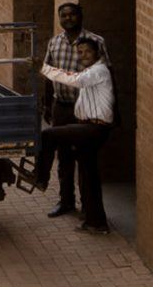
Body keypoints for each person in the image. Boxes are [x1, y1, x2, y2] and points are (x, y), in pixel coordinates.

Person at [32, 35, 115, 233]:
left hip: (94, 129)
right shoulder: (90, 72)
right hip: (89, 127)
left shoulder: (98, 71)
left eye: (87, 51)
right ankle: (96, 222)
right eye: (80, 52)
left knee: (48, 135)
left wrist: (44, 68)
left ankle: (40, 178)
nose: (83, 55)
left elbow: (75, 80)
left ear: (96, 53)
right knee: (89, 176)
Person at [40, 3, 108, 217]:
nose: (68, 19)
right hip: (61, 106)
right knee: (64, 157)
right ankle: (66, 201)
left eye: (72, 15)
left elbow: (105, 73)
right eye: (64, 16)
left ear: (81, 16)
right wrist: (46, 104)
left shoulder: (95, 42)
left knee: (85, 158)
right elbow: (49, 74)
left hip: (84, 111)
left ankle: (89, 209)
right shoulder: (55, 42)